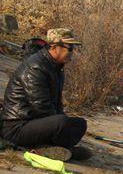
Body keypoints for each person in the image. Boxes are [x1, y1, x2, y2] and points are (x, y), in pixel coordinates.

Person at [1, 28, 91, 161]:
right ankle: (53, 148)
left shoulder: (56, 67)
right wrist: (60, 126)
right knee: (62, 122)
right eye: (69, 48)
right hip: (17, 127)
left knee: (80, 124)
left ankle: (51, 147)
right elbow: (41, 107)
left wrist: (62, 124)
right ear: (54, 47)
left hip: (35, 122)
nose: (72, 52)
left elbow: (56, 104)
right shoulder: (36, 67)